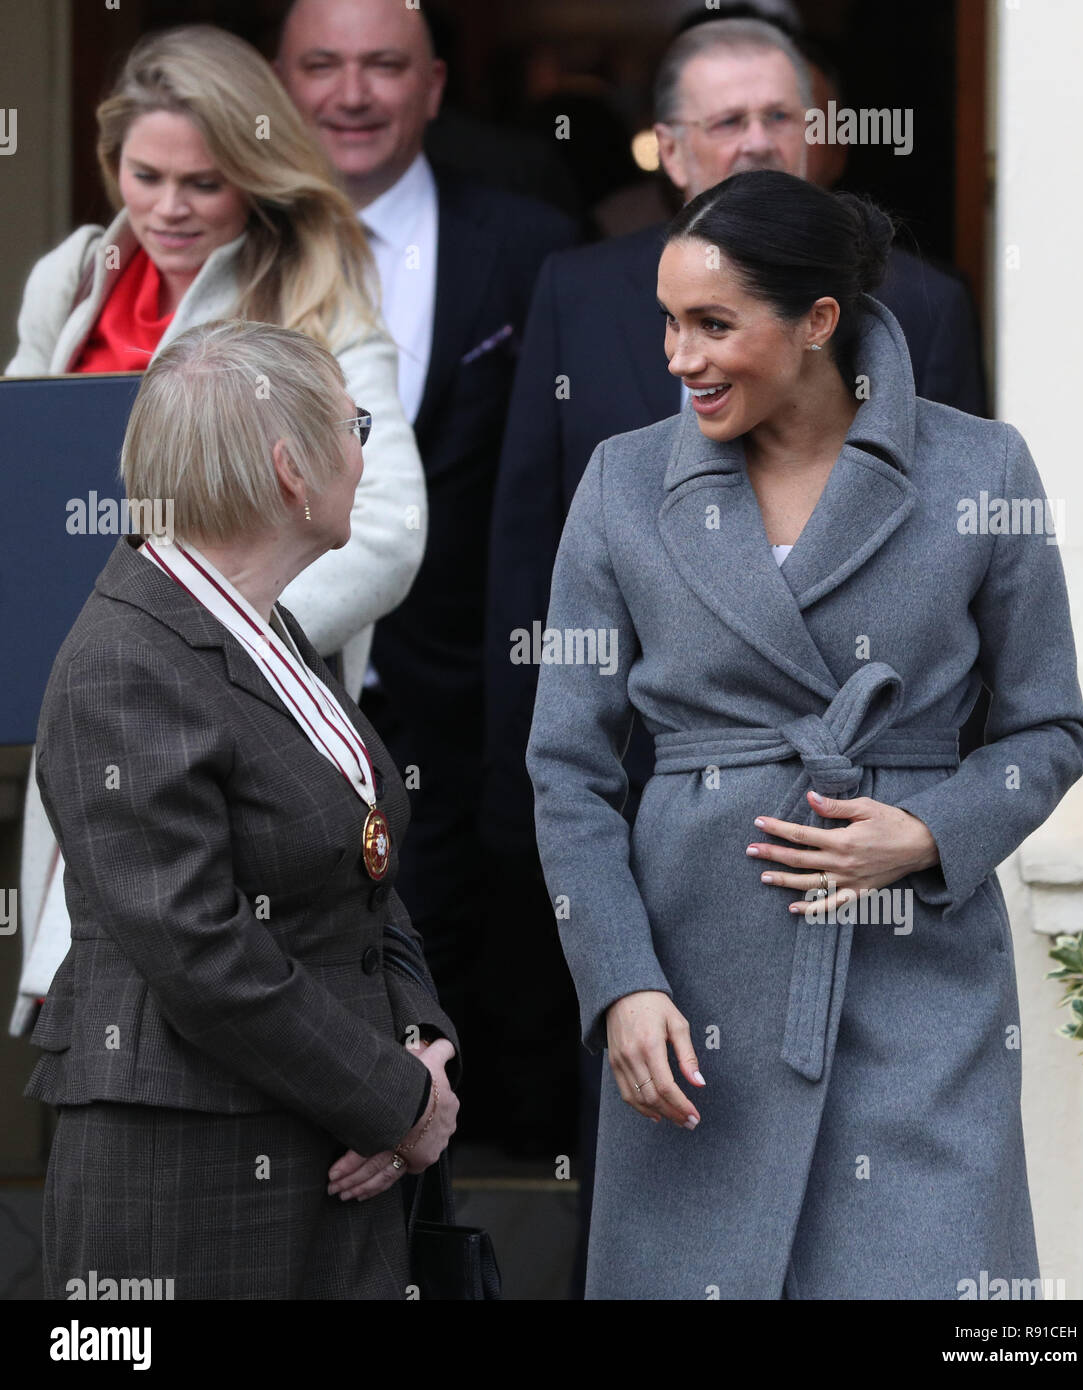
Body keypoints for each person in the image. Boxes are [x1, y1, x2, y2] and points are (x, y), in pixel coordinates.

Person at [525, 169, 1083, 1299]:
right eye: (668, 323)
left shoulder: (980, 468)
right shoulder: (622, 482)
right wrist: (620, 982)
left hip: (918, 989)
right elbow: (567, 772)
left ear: (816, 323)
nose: (678, 356)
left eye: (713, 325)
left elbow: (1046, 726)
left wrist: (926, 831)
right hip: (692, 1001)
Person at [26, 318, 460, 1299]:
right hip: (193, 1176)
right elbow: (199, 947)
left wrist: (421, 1053)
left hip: (334, 1145)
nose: (366, 451)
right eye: (352, 425)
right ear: (290, 470)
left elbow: (362, 877)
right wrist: (397, 1099)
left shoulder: (266, 629)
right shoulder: (123, 663)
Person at [6, 24, 425, 1037]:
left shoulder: (317, 294)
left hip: (236, 720)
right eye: (146, 176)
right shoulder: (74, 275)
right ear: (112, 165)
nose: (169, 207)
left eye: (205, 182)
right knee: (98, 1002)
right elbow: (24, 481)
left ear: (256, 176)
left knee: (211, 987)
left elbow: (390, 529)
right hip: (88, 683)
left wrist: (201, 647)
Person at [275, 0, 579, 1148]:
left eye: (383, 66)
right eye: (323, 65)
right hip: (265, 698)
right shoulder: (222, 241)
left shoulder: (529, 242)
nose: (352, 93)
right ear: (280, 80)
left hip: (467, 700)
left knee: (473, 1013)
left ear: (436, 86)